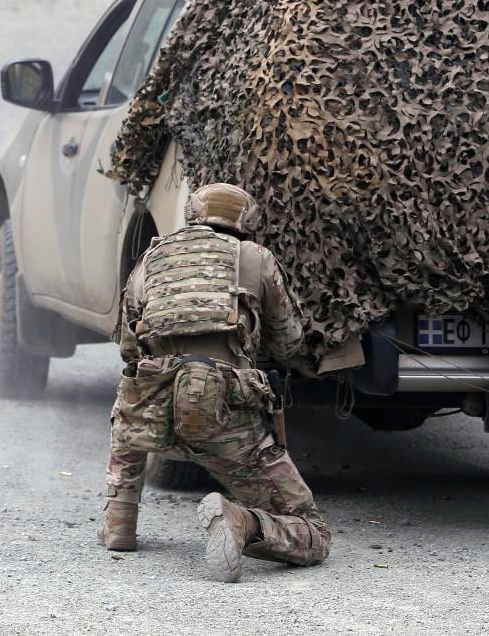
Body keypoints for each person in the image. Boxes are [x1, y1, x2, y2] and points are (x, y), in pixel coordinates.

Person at [99, 182, 329, 582]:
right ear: (245, 223)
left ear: (192, 216)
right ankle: (240, 521)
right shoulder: (254, 258)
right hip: (222, 412)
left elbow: (128, 347)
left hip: (153, 410)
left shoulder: (151, 258)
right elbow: (289, 340)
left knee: (133, 391)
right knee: (313, 532)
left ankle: (120, 522)